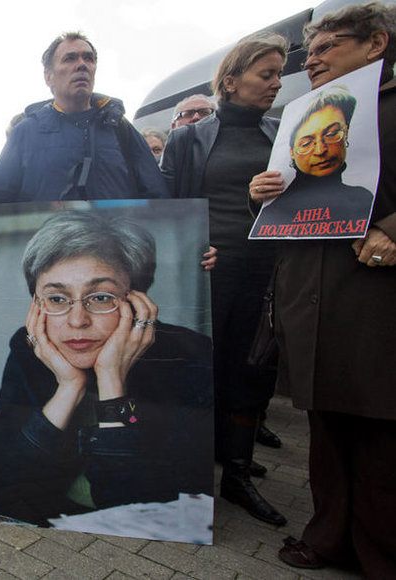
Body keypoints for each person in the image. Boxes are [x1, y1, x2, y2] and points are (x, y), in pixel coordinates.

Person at [247, 3, 396, 575]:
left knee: (380, 431)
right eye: (309, 52)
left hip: (373, 293)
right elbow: (289, 206)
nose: (312, 61)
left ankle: (381, 550)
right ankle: (328, 536)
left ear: (375, 43)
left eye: (329, 46)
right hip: (309, 292)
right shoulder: (300, 118)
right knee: (326, 430)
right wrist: (258, 197)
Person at [0, 210, 213, 527]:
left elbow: (135, 509)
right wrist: (69, 387)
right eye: (57, 299)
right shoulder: (30, 346)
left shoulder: (187, 355)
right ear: (36, 305)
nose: (77, 321)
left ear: (137, 301)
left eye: (100, 297)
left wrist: (113, 383)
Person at [160, 33, 289, 526]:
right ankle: (187, 482)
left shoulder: (282, 133)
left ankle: (236, 476)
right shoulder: (187, 138)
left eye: (279, 74)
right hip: (208, 275)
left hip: (267, 272)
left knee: (251, 374)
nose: (276, 84)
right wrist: (192, 246)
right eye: (266, 74)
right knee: (198, 374)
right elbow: (168, 211)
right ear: (231, 82)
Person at [0, 32, 169, 203]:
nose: (82, 65)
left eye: (89, 58)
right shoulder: (25, 134)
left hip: (116, 241)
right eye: (70, 59)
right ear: (48, 77)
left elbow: (159, 199)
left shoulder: (120, 129)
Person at [250, 85, 374, 235]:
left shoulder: (365, 198)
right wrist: (259, 200)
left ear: (346, 132)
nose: (321, 150)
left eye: (332, 134)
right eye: (306, 143)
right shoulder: (277, 207)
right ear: (291, 152)